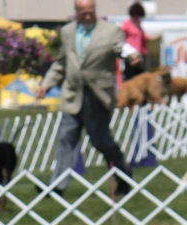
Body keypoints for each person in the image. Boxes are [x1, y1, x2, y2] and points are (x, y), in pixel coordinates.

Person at [35, 0, 142, 196]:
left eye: (90, 11)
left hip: (98, 96)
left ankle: (124, 176)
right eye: (83, 11)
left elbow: (121, 48)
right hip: (73, 94)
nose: (87, 15)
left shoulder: (110, 31)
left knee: (101, 141)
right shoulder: (67, 32)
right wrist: (46, 84)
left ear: (95, 11)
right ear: (76, 12)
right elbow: (61, 64)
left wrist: (133, 56)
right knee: (66, 139)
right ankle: (57, 186)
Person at [121, 2, 149, 79]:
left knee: (140, 78)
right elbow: (119, 35)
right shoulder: (127, 24)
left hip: (140, 55)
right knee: (130, 77)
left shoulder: (139, 26)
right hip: (131, 56)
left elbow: (143, 38)